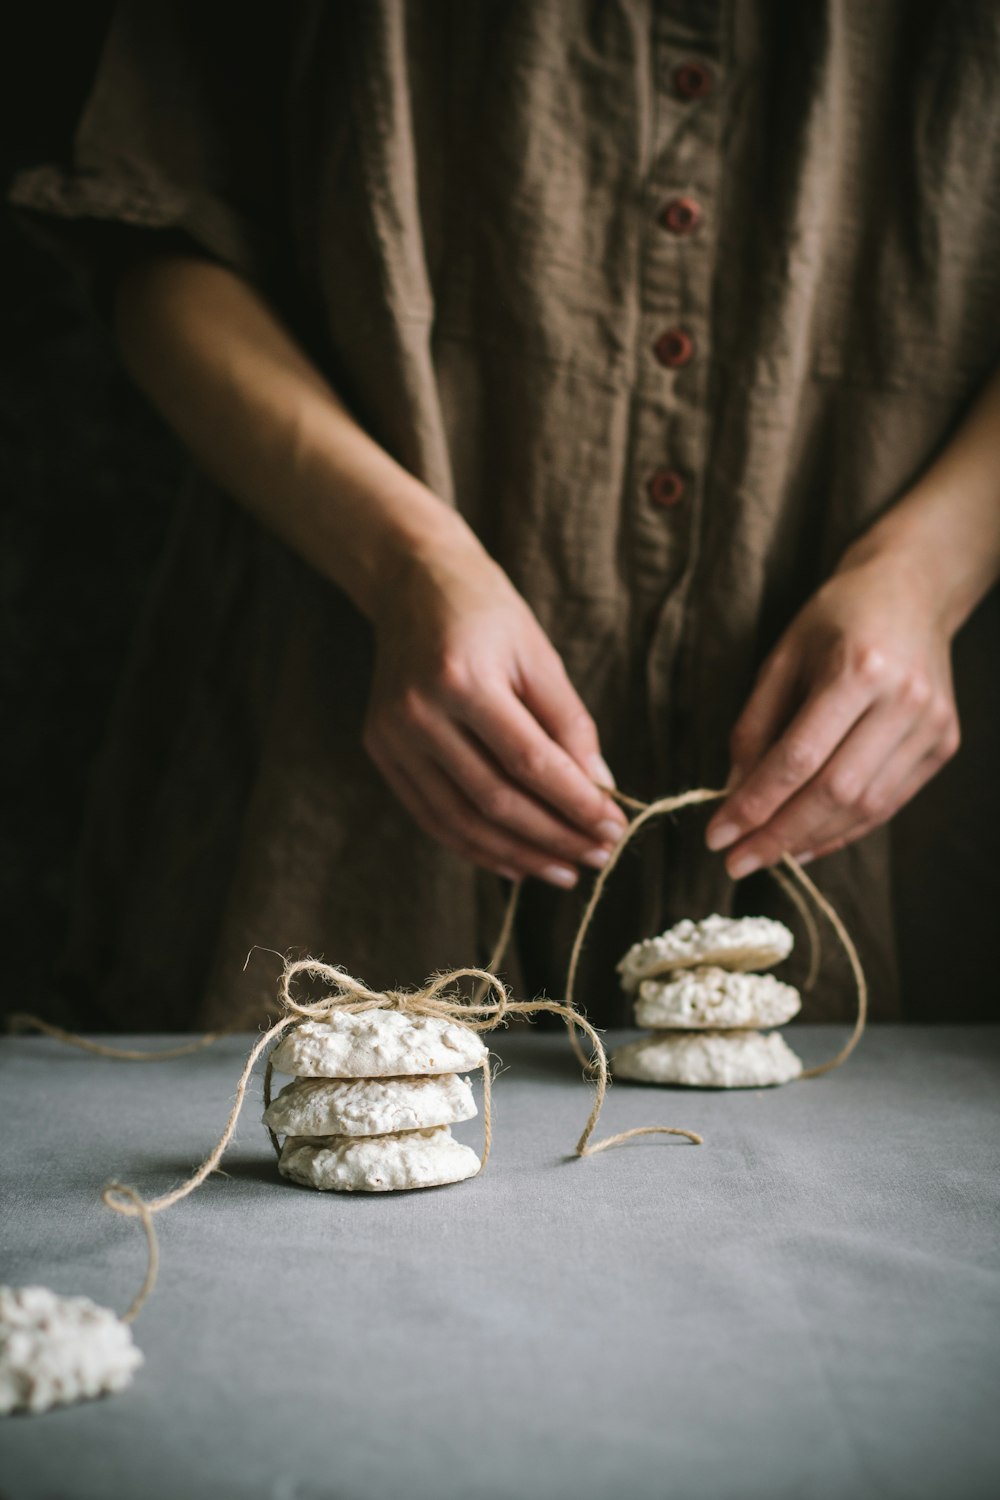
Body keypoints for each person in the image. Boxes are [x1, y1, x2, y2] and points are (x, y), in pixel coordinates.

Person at [11, 1, 1000, 1032]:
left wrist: (929, 569)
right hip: (339, 758)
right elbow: (156, 235)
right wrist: (403, 560)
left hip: (904, 812)